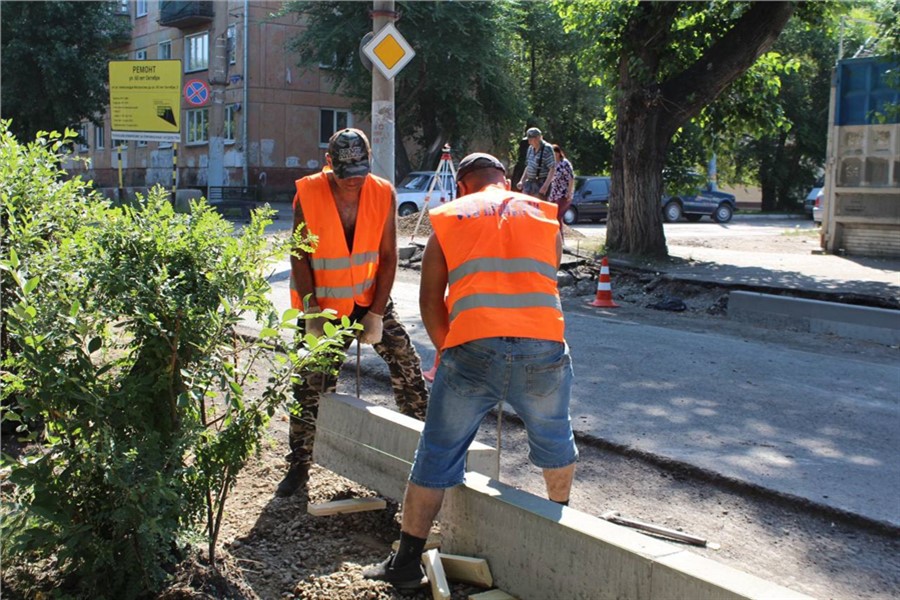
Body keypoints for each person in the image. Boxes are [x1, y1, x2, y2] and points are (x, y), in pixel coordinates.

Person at [364, 153, 578, 589]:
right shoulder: (544, 215)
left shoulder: (449, 218)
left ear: (461, 185)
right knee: (555, 441)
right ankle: (570, 542)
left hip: (472, 347)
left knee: (438, 453)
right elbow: (544, 278)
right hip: (543, 345)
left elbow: (429, 300)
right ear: (505, 181)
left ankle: (405, 564)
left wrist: (449, 353)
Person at [280, 128, 429, 498]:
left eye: (360, 174)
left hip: (369, 299)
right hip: (324, 310)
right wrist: (312, 310)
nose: (353, 185)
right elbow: (300, 254)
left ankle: (425, 461)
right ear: (330, 164)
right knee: (310, 386)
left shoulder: (381, 191)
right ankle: (300, 465)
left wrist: (376, 313)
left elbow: (389, 257)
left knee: (408, 368)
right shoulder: (309, 192)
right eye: (346, 177)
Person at [515, 127, 556, 199]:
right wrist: (522, 181)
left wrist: (545, 186)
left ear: (538, 138)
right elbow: (528, 166)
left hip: (540, 184)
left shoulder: (547, 148)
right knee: (525, 205)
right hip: (529, 184)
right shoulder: (530, 148)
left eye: (531, 139)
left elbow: (552, 169)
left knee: (538, 208)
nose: (529, 142)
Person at [548, 144, 575, 240]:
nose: (553, 155)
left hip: (563, 193)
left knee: (558, 215)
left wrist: (569, 192)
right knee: (552, 215)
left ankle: (559, 239)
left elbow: (571, 178)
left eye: (555, 153)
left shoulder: (565, 163)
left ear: (559, 153)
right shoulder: (551, 164)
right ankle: (553, 238)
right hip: (553, 193)